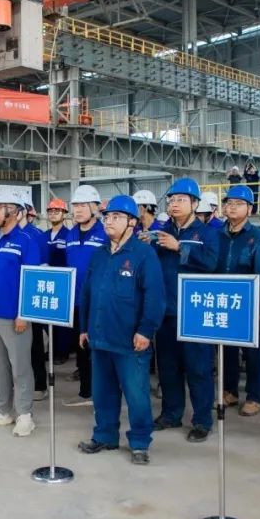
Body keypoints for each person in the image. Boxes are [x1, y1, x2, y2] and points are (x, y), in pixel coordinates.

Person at [77, 195, 165, 465]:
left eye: (116, 217)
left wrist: (145, 331)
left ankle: (139, 442)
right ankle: (105, 435)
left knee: (137, 395)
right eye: (107, 217)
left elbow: (155, 297)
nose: (109, 222)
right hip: (100, 336)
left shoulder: (144, 255)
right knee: (102, 393)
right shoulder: (100, 254)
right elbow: (88, 292)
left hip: (130, 341)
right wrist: (84, 327)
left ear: (132, 222)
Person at [139, 177, 219, 442]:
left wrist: (179, 247)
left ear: (195, 204)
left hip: (194, 312)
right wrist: (146, 244)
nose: (174, 204)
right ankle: (171, 414)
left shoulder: (206, 233)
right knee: (168, 367)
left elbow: (211, 263)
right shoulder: (161, 232)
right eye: (172, 200)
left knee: (198, 368)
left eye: (181, 200)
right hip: (166, 311)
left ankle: (202, 420)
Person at [0, 186, 41, 437]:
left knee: (20, 366)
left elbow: (33, 280)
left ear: (15, 212)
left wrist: (24, 313)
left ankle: (24, 414)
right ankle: (2, 410)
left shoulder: (26, 241)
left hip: (14, 316)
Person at [216, 184, 260, 416]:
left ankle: (254, 395)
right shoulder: (217, 235)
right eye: (229, 203)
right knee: (227, 350)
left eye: (238, 204)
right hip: (223, 301)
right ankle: (230, 391)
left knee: (253, 352)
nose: (232, 207)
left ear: (250, 209)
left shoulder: (258, 238)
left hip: (249, 304)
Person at [63, 184, 108, 408]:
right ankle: (86, 392)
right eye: (75, 205)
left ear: (95, 208)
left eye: (83, 205)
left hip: (99, 301)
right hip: (76, 301)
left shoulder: (105, 232)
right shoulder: (71, 234)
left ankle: (101, 392)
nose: (78, 210)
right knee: (82, 348)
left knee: (98, 348)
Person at [18, 189, 51, 401]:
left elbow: (43, 268)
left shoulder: (36, 236)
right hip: (11, 299)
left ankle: (39, 384)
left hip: (31, 297)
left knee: (34, 343)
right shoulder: (2, 235)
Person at [45, 198, 72, 364]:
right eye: (51, 211)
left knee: (61, 320)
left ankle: (63, 352)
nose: (53, 214)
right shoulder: (44, 236)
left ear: (64, 214)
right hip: (46, 282)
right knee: (48, 319)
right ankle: (52, 349)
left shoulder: (69, 235)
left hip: (63, 283)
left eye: (57, 211)